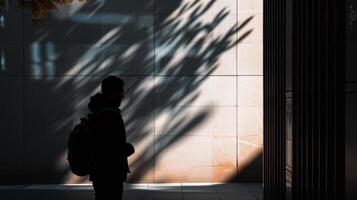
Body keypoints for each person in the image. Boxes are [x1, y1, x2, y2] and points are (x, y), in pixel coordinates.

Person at [87, 76, 134, 200]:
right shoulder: (110, 115)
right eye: (120, 92)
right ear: (113, 92)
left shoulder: (99, 111)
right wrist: (129, 148)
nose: (123, 96)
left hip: (100, 172)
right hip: (110, 173)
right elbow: (112, 146)